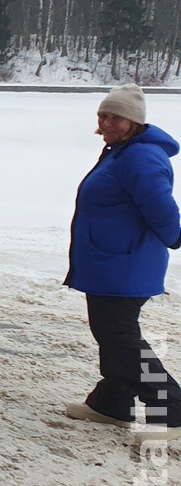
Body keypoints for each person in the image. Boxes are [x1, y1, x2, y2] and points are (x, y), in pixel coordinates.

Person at [64, 82, 181, 442]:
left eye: (118, 117)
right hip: (110, 262)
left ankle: (173, 411)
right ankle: (112, 403)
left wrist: (175, 236)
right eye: (104, 115)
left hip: (124, 264)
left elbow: (159, 205)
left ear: (135, 122)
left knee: (120, 338)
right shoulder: (121, 150)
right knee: (113, 336)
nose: (109, 123)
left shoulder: (140, 155)